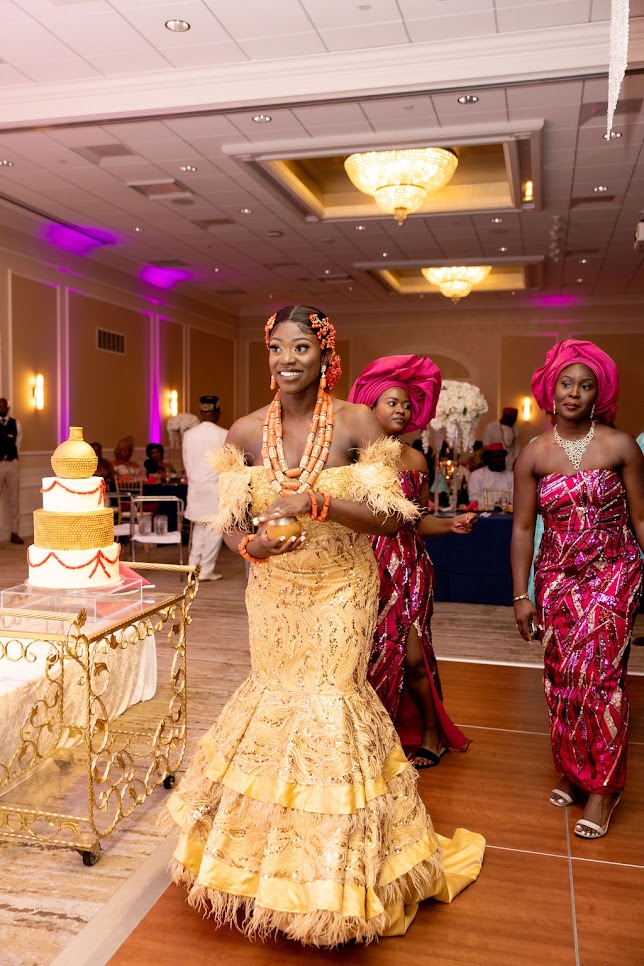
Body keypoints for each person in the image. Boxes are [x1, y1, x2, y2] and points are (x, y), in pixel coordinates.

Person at [165, 305, 484, 945]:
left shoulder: (358, 422)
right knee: (278, 703)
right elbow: (228, 520)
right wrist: (248, 548)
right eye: (276, 348)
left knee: (332, 702)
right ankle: (272, 870)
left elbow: (393, 520)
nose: (286, 359)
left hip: (341, 586)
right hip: (274, 590)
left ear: (325, 355)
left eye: (301, 347)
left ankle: (334, 879)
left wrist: (318, 501)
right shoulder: (246, 430)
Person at [511, 339, 643, 840]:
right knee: (563, 676)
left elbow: (640, 515)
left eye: (585, 386)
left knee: (603, 678)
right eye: (566, 383)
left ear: (598, 394)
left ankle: (604, 789)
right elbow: (523, 528)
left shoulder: (620, 445)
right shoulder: (534, 454)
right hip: (557, 578)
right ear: (550, 389)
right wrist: (521, 595)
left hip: (614, 571)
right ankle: (573, 768)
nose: (574, 392)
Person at [348, 356, 476, 768]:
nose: (401, 409)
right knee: (363, 655)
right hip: (361, 565)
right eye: (392, 402)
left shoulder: (417, 461)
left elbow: (417, 520)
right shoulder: (351, 459)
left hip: (408, 566)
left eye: (406, 404)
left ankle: (432, 733)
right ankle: (373, 735)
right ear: (370, 407)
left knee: (414, 656)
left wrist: (451, 524)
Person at [182, 396, 227, 581]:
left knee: (199, 529)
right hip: (214, 487)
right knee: (215, 531)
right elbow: (226, 464)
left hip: (195, 487)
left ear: (201, 412)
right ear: (216, 412)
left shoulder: (189, 434)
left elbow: (186, 462)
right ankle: (206, 570)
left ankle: (192, 569)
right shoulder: (223, 433)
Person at [0, 397, 23, 544]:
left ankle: (14, 532)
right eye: (0, 406)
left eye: (4, 406)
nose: (2, 408)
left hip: (12, 464)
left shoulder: (16, 424)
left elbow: (18, 443)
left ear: (8, 407)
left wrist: (11, 456)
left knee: (13, 499)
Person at [467, 442, 514, 508]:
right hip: (483, 515)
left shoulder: (511, 476)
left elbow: (515, 498)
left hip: (507, 515)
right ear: (488, 459)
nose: (501, 459)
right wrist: (492, 507)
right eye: (496, 457)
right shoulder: (476, 475)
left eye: (502, 456)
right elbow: (474, 499)